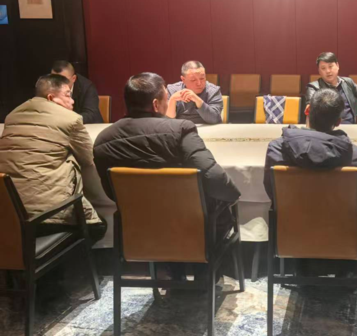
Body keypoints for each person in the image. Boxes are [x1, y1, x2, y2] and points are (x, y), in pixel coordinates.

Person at [94, 73, 240, 243]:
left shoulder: (103, 140)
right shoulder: (179, 130)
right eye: (166, 98)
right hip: (188, 227)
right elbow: (213, 176)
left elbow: (111, 192)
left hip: (136, 230)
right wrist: (233, 195)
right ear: (156, 104)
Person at [0, 74, 107, 242]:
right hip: (47, 218)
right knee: (99, 227)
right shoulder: (71, 119)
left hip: (9, 217)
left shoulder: (12, 116)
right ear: (51, 98)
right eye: (67, 95)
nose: (72, 101)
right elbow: (87, 159)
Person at [264, 88, 357, 207]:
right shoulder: (353, 154)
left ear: (307, 110)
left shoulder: (277, 149)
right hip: (340, 218)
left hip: (290, 218)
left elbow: (272, 191)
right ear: (338, 122)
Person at [305, 52, 357, 125]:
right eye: (323, 68)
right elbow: (311, 107)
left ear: (337, 66)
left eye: (330, 66)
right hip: (328, 128)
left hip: (352, 126)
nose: (328, 71)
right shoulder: (313, 87)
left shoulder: (348, 82)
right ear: (319, 71)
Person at [166, 60, 223, 125]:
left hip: (208, 128)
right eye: (193, 80)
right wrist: (172, 99)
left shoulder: (213, 91)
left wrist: (196, 99)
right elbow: (168, 121)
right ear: (183, 79)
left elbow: (214, 119)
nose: (199, 83)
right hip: (181, 128)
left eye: (202, 78)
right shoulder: (173, 90)